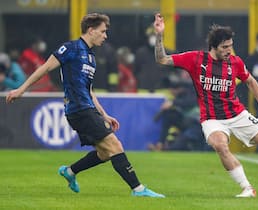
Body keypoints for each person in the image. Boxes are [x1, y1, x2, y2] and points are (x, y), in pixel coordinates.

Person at [153, 13, 258, 197]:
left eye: (231, 46)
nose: (229, 50)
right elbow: (162, 59)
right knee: (220, 145)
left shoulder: (235, 62)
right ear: (213, 47)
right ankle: (247, 188)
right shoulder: (195, 59)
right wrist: (159, 35)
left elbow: (251, 82)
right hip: (211, 119)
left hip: (237, 115)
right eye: (225, 47)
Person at [6, 13, 164, 198]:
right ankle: (138, 189)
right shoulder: (70, 48)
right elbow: (45, 68)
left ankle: (70, 171)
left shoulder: (91, 57)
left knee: (105, 153)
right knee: (115, 145)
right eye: (103, 31)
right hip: (78, 109)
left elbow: (89, 90)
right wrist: (21, 89)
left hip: (87, 108)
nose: (105, 36)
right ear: (91, 30)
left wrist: (104, 115)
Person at [134, 26, 170, 92]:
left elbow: (171, 72)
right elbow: (136, 71)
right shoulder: (141, 53)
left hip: (162, 90)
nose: (154, 38)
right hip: (144, 90)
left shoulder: (166, 53)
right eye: (152, 36)